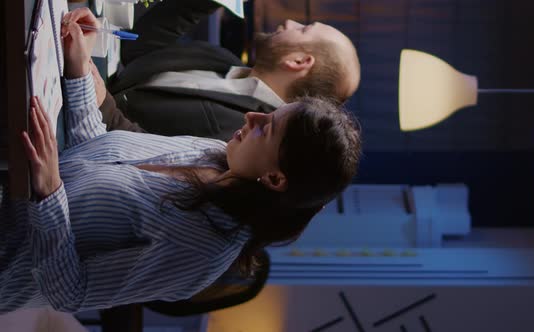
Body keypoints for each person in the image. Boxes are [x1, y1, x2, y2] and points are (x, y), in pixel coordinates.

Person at [0, 8, 361, 314]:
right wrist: (80, 70)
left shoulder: (204, 249)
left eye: (266, 129)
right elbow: (100, 150)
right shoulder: (216, 153)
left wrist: (50, 194)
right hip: (11, 186)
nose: (253, 118)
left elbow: (69, 292)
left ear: (275, 178)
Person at [98, 0, 361, 141]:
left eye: (303, 29)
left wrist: (94, 94)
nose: (290, 22)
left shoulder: (244, 135)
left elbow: (139, 147)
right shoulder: (222, 59)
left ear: (299, 62)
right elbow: (137, 47)